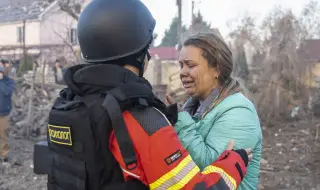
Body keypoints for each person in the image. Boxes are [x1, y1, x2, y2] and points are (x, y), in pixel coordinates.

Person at [46, 0, 251, 190]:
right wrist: (234, 162)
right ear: (137, 55)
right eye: (147, 49)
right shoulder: (143, 120)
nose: (149, 56)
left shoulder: (67, 105)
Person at [168, 33, 262, 190]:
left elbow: (212, 172)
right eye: (181, 65)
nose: (182, 72)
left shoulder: (238, 112)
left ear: (216, 69)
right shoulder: (192, 108)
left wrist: (180, 122)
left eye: (190, 65)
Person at [0, 64, 15, 163]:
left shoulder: (9, 82)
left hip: (3, 113)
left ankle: (4, 156)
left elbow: (7, 92)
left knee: (3, 134)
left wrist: (1, 81)